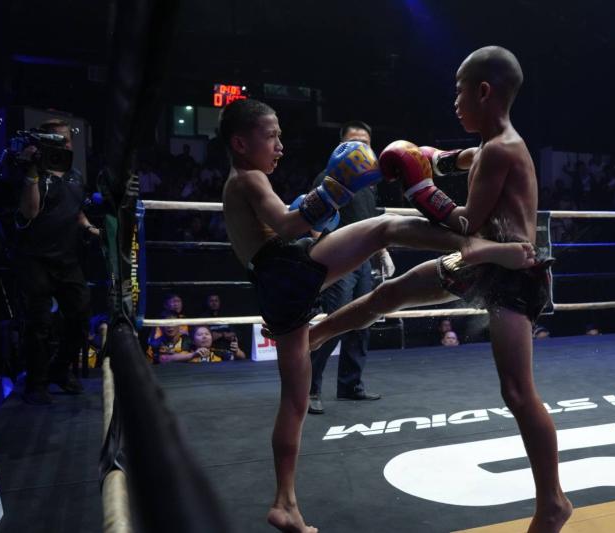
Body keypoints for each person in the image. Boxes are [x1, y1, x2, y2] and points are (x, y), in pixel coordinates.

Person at [219, 97, 535, 533]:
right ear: (240, 143)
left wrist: (321, 203)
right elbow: (289, 226)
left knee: (294, 402)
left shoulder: (239, 181)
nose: (280, 146)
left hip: (273, 286)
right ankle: (481, 244)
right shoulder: (250, 178)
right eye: (271, 136)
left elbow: (285, 226)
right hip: (287, 268)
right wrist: (335, 188)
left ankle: (285, 503)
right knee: (385, 228)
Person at [307, 46, 572, 532]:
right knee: (390, 293)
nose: (454, 101)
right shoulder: (489, 146)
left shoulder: (502, 149)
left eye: (459, 91)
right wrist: (421, 157)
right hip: (478, 260)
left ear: (483, 92)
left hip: (511, 273)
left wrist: (416, 185)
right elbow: (450, 160)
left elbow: (466, 223)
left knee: (517, 392)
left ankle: (553, 502)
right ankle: (315, 335)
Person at [307, 121, 391, 415]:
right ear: (340, 146)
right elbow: (313, 221)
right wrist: (323, 256)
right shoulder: (328, 176)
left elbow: (371, 222)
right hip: (339, 260)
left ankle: (350, 385)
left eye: (365, 143)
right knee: (335, 323)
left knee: (363, 320)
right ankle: (310, 388)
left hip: (364, 260)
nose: (360, 148)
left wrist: (382, 253)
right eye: (353, 142)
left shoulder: (368, 183)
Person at [14, 118, 98, 405]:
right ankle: (36, 385)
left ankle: (59, 370)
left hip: (67, 258)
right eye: (59, 140)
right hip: (35, 259)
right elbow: (30, 212)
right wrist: (31, 171)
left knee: (81, 316)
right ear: (45, 142)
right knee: (39, 323)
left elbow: (76, 210)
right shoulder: (31, 171)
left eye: (67, 140)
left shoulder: (74, 175)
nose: (65, 145)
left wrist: (89, 227)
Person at [204, 293, 246, 358]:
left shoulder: (227, 316)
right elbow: (206, 337)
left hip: (229, 350)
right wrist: (223, 335)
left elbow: (234, 334)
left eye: (216, 301)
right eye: (211, 301)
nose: (214, 303)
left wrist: (221, 335)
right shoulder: (203, 318)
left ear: (219, 302)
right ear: (207, 303)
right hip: (211, 352)